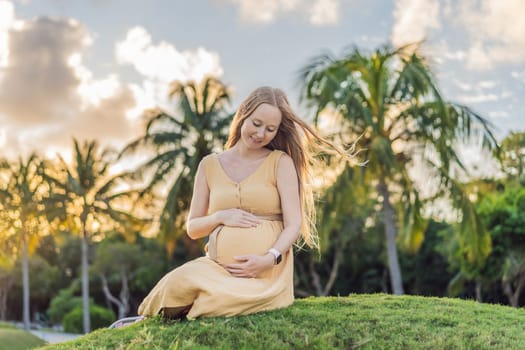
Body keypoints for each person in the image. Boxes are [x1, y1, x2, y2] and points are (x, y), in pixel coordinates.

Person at [133, 86, 347, 321]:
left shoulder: (280, 162)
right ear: (243, 114)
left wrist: (268, 258)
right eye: (256, 123)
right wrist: (219, 217)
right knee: (174, 283)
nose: (261, 133)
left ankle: (201, 304)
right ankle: (164, 312)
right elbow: (193, 228)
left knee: (218, 299)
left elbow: (294, 224)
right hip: (217, 268)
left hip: (265, 275)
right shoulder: (208, 165)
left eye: (270, 129)